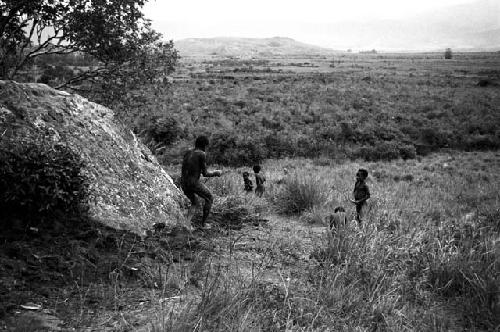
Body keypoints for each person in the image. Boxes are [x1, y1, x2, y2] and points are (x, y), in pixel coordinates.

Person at [181, 136, 222, 228]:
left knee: (194, 202)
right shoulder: (201, 154)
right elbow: (205, 173)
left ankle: (187, 224)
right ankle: (203, 224)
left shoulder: (188, 152)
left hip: (183, 183)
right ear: (204, 145)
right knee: (209, 198)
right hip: (193, 183)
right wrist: (216, 172)